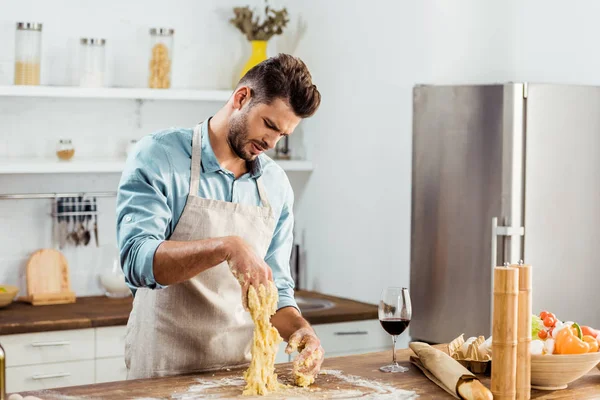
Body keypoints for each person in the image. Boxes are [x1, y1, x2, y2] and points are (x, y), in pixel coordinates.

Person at [116, 53, 324, 381]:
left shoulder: (276, 185)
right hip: (163, 368)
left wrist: (302, 331)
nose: (270, 142)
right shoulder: (160, 156)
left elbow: (278, 289)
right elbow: (137, 261)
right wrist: (226, 247)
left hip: (241, 374)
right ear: (241, 98)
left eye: (282, 135)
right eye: (269, 125)